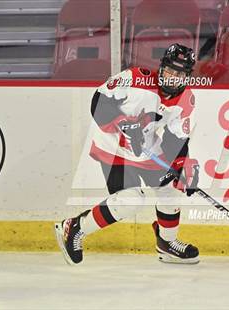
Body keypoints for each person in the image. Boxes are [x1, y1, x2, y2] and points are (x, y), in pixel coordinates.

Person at [55, 43, 200, 265]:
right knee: (131, 201)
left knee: (171, 188)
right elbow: (98, 101)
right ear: (161, 68)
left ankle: (167, 243)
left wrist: (182, 166)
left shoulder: (186, 100)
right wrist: (122, 123)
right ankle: (75, 227)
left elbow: (176, 141)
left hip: (145, 148)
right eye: (169, 71)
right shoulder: (134, 78)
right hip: (112, 147)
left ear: (187, 77)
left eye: (178, 74)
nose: (171, 78)